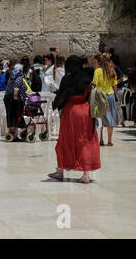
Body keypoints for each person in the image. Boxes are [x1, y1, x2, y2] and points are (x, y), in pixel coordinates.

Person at [49, 55, 100, 184]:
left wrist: (57, 105)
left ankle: (60, 171)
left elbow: (61, 96)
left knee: (65, 140)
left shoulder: (68, 78)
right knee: (85, 140)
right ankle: (86, 174)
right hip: (86, 111)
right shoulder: (87, 76)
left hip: (71, 111)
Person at [93, 53, 118, 146]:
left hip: (100, 95)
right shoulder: (112, 71)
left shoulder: (97, 71)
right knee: (110, 117)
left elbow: (94, 84)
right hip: (110, 95)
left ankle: (100, 140)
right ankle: (110, 141)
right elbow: (115, 87)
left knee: (100, 118)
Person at [3, 64, 27, 139]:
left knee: (10, 114)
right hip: (13, 98)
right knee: (15, 115)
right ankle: (14, 133)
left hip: (7, 97)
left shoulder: (12, 76)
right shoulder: (19, 77)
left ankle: (10, 132)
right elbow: (16, 90)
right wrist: (16, 97)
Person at [111, 54, 125, 127]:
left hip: (119, 89)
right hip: (116, 89)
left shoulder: (117, 68)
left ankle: (121, 122)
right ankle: (118, 122)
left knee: (118, 106)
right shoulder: (114, 69)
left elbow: (122, 78)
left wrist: (115, 83)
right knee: (116, 106)